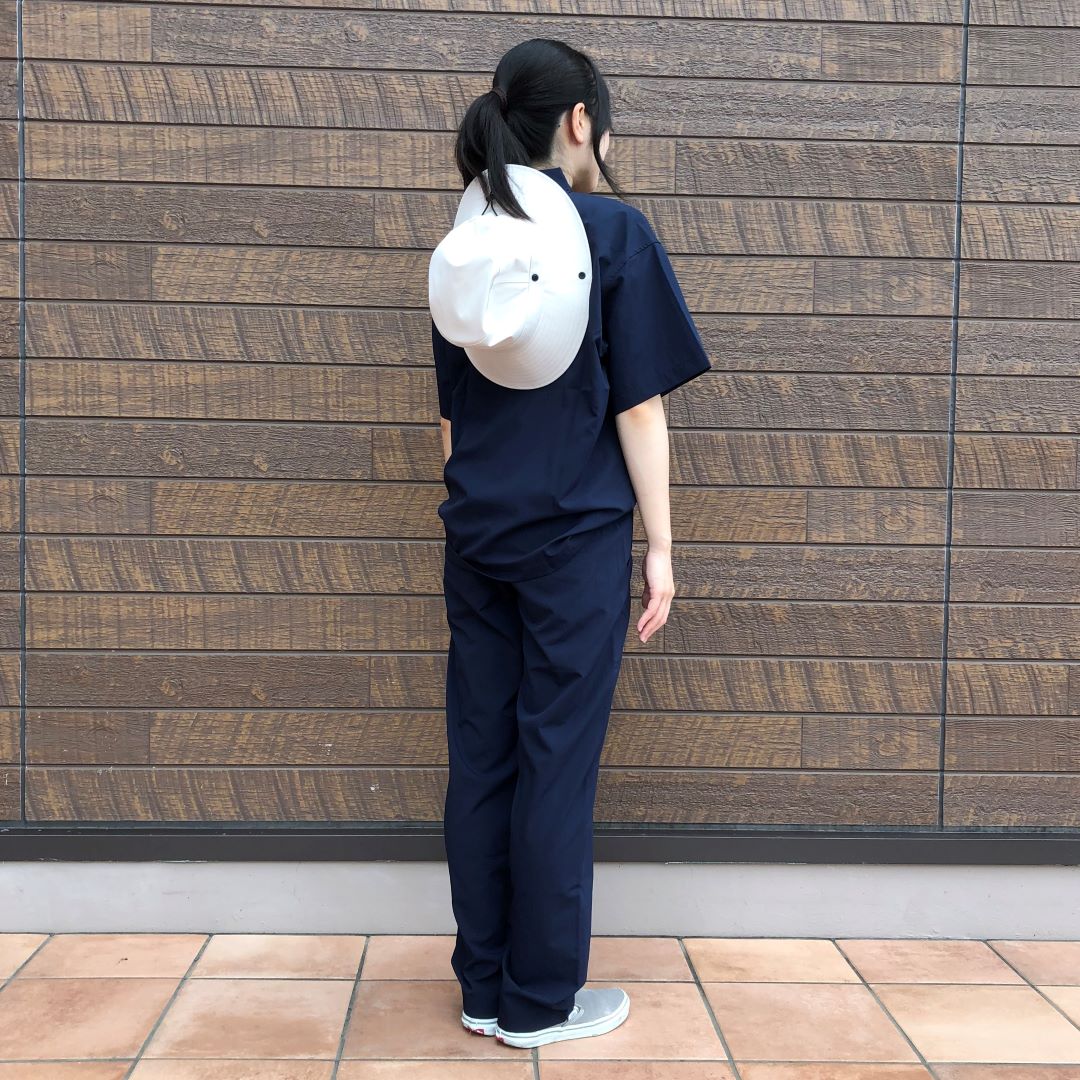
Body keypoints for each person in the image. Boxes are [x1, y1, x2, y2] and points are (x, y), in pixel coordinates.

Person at [427, 37, 712, 1050]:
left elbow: (452, 420)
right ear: (580, 122)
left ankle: (482, 984)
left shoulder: (467, 244)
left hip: (477, 534)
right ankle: (539, 1001)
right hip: (574, 540)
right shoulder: (613, 233)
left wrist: (476, 506)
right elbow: (638, 408)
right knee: (555, 761)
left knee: (483, 753)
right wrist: (661, 546)